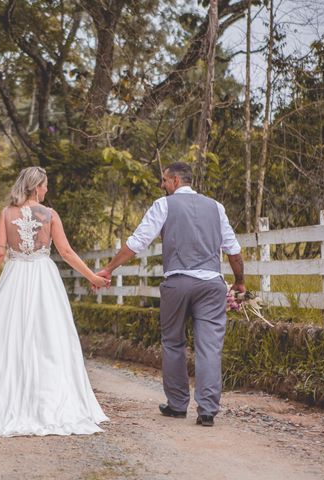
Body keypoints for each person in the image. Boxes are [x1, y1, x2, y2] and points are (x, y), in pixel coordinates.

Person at [0, 166, 109, 437]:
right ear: (35, 186)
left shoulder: (6, 213)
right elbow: (65, 251)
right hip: (43, 277)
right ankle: (48, 402)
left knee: (6, 337)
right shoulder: (50, 215)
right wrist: (93, 277)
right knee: (49, 337)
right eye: (45, 185)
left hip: (14, 278)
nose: (47, 189)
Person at [96, 162, 245, 427]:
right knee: (209, 347)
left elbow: (137, 242)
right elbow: (233, 249)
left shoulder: (164, 205)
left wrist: (109, 268)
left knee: (174, 343)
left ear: (175, 180)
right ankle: (208, 410)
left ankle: (177, 405)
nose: (162, 185)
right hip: (212, 285)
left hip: (177, 283)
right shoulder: (216, 207)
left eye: (164, 180)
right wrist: (240, 282)